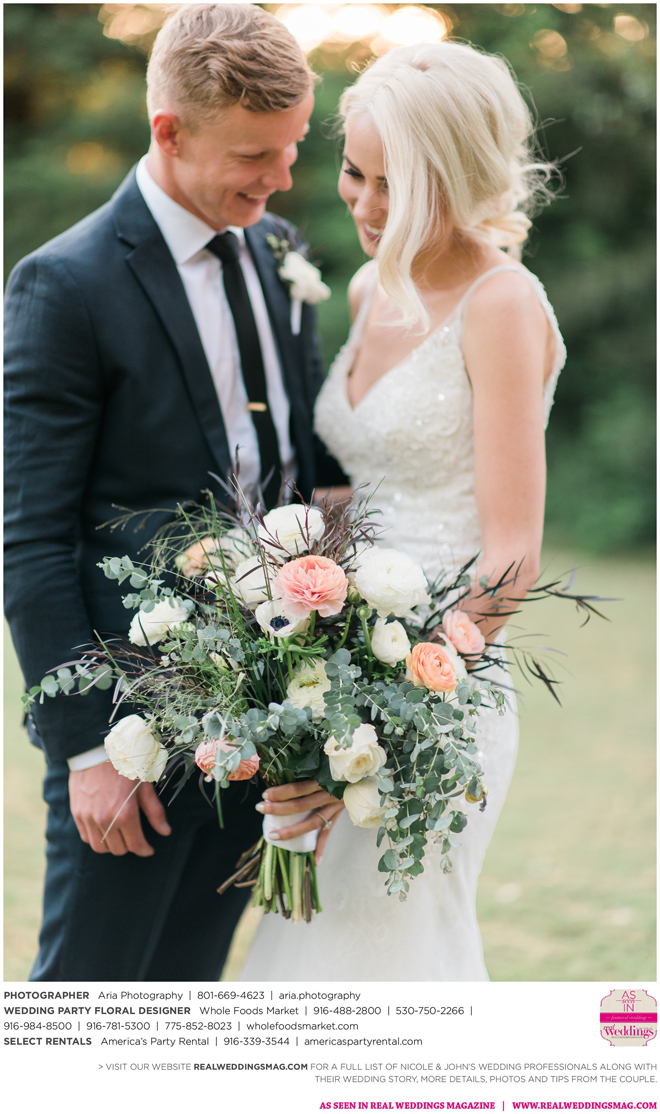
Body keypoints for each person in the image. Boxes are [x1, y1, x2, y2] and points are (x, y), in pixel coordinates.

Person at [4, 3, 344, 982]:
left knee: (188, 1003)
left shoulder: (279, 251)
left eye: (291, 147)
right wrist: (88, 752)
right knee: (88, 1003)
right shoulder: (64, 285)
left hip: (267, 714)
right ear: (170, 131)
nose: (281, 176)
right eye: (254, 154)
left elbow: (299, 468)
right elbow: (29, 538)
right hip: (135, 737)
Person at [240, 41, 566, 981]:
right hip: (342, 671)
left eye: (399, 184)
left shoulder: (501, 304)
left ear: (459, 179)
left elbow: (512, 559)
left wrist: (384, 716)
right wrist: (291, 624)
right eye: (356, 173)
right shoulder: (366, 286)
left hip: (438, 695)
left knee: (389, 959)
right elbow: (359, 481)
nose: (369, 205)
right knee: (309, 958)